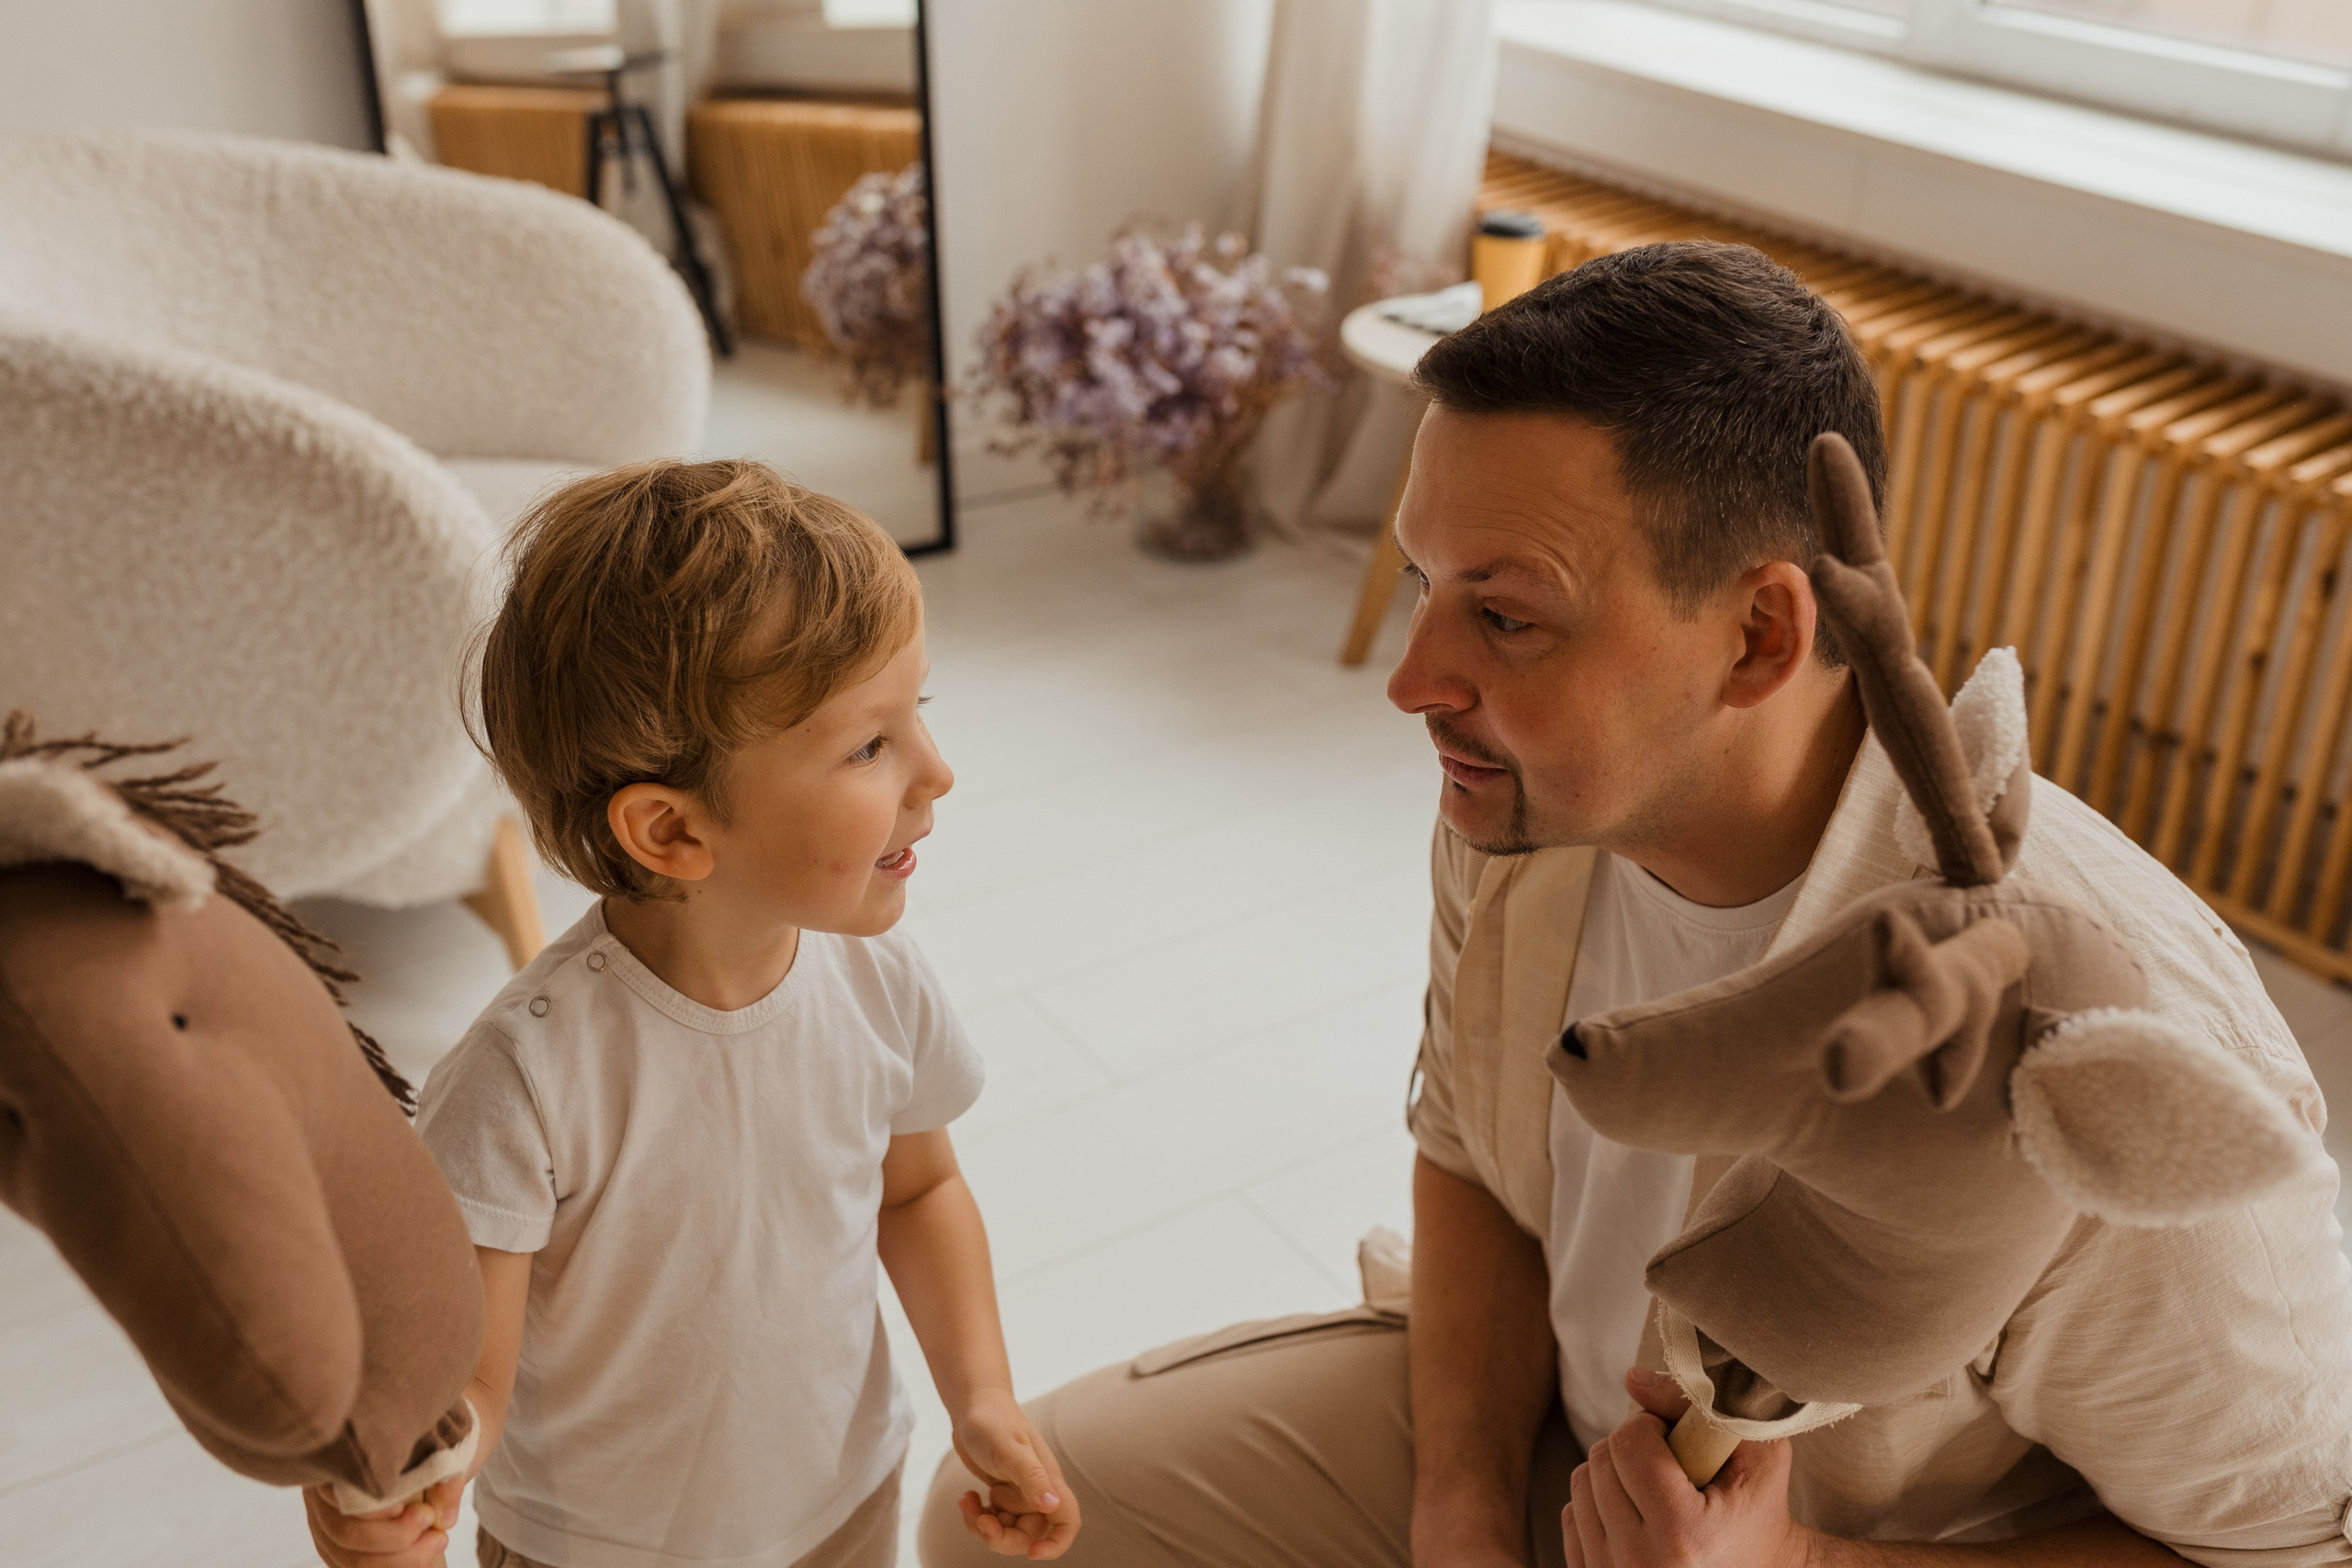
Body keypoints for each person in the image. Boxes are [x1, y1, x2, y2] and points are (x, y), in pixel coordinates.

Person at [916, 243, 2352, 1567]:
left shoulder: (2106, 1044)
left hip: (1876, 1545)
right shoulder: (1527, 799)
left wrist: (1793, 1562)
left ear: (1760, 634)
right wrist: (1466, 1507)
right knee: (989, 1520)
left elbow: (2286, 1549)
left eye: (1506, 612)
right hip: (1548, 1424)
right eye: (1422, 580)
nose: (1413, 678)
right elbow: (1468, 1153)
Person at [302, 460, 1081, 1568]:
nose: (936, 771)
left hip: (843, 1501)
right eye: (869, 744)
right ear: (669, 833)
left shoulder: (880, 984)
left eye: (920, 714)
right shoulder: (521, 1081)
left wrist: (983, 1392)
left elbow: (920, 1187)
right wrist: (402, 1493)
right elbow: (465, 1372)